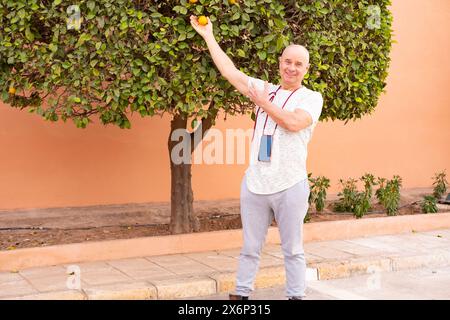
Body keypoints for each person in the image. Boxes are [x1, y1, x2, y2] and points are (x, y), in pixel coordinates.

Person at [190, 16, 323, 300]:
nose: (292, 67)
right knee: (250, 246)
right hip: (255, 184)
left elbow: (293, 123)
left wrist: (263, 103)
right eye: (288, 61)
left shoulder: (312, 97)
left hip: (289, 184)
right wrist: (208, 35)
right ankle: (242, 293)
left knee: (293, 249)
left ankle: (296, 295)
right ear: (280, 63)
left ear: (306, 69)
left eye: (299, 64)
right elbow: (230, 72)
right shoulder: (266, 88)